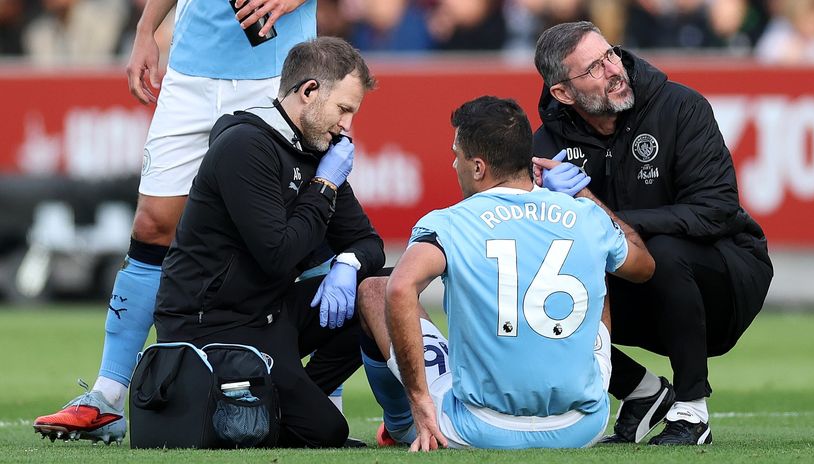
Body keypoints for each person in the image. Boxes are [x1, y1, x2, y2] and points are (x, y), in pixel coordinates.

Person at [33, 0, 318, 444]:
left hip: (280, 70)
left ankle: (330, 396)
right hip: (192, 70)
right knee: (152, 224)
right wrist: (147, 28)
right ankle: (109, 395)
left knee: (296, 225)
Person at [356, 96, 655, 451]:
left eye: (458, 154)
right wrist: (584, 195)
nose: (454, 164)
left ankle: (404, 424)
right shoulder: (584, 215)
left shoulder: (450, 222)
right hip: (580, 425)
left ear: (479, 167)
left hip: (478, 426)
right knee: (597, 256)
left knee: (375, 289)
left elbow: (400, 288)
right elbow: (643, 267)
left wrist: (420, 399)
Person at [532, 21, 773, 445]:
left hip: (726, 277)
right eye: (593, 68)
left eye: (610, 55)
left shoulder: (680, 106)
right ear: (563, 93)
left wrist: (600, 211)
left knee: (662, 249)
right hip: (634, 287)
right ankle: (641, 392)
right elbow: (538, 238)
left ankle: (693, 410)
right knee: (535, 282)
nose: (612, 70)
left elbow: (716, 211)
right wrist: (540, 203)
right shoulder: (548, 142)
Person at [153, 36, 383, 447]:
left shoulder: (318, 147)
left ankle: (285, 397)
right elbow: (278, 254)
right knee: (328, 432)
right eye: (343, 109)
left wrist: (347, 265)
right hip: (213, 325)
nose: (347, 125)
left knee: (378, 291)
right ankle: (282, 403)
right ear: (309, 91)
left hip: (268, 312)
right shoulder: (246, 146)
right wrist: (326, 184)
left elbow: (368, 242)